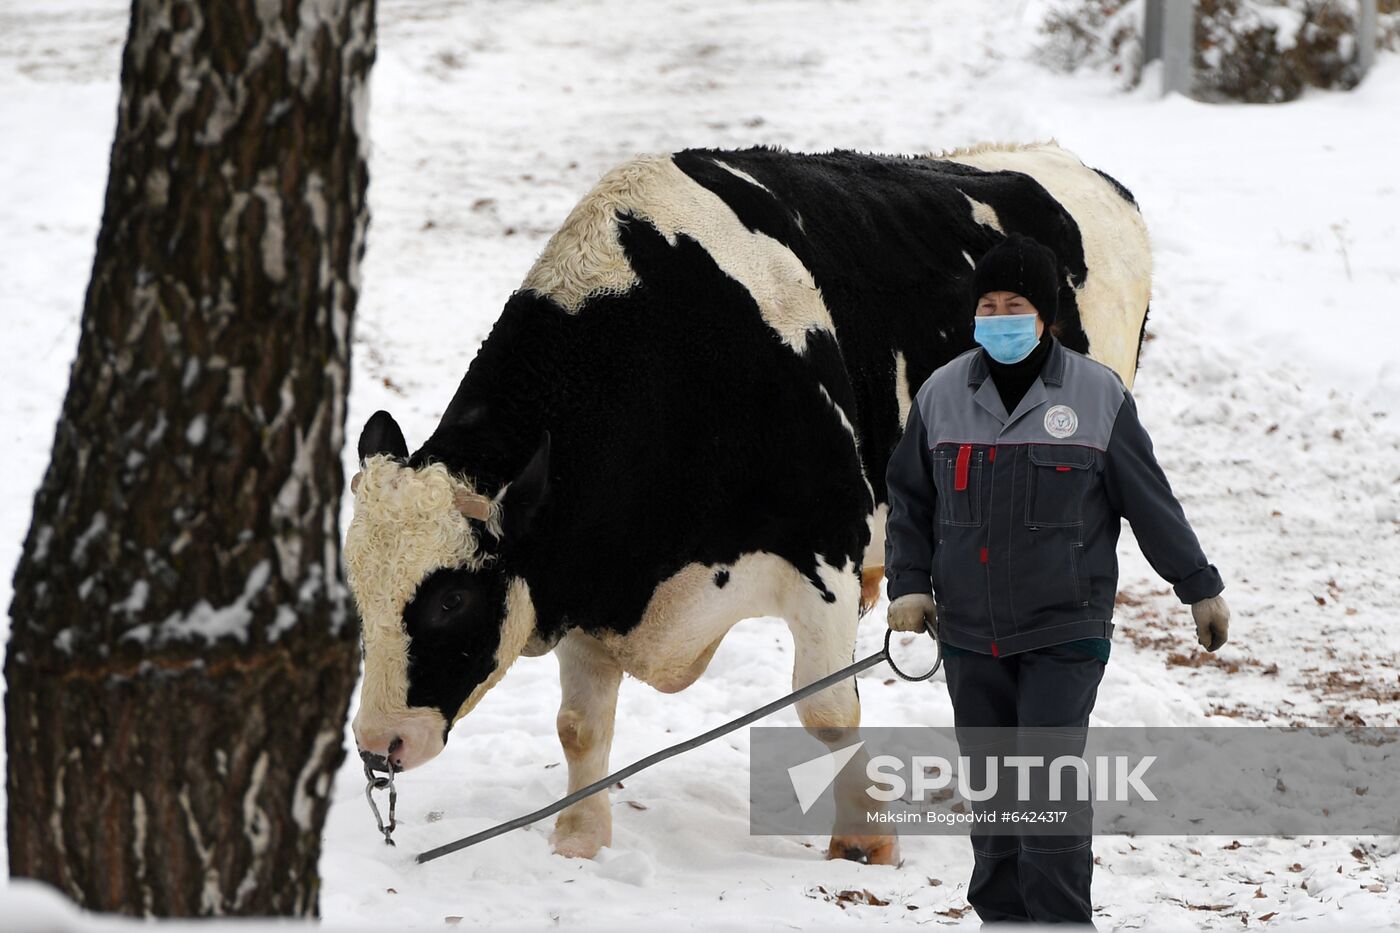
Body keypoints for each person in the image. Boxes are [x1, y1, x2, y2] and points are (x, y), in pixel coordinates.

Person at [883, 232, 1230, 925]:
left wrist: (1198, 584)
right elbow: (911, 500)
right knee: (995, 797)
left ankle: (1061, 921)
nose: (1000, 318)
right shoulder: (943, 394)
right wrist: (909, 583)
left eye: (1016, 305)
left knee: (1045, 791)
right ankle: (1003, 919)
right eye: (989, 305)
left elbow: (1147, 500)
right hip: (970, 633)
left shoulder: (1097, 395)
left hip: (1063, 628)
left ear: (1047, 317)